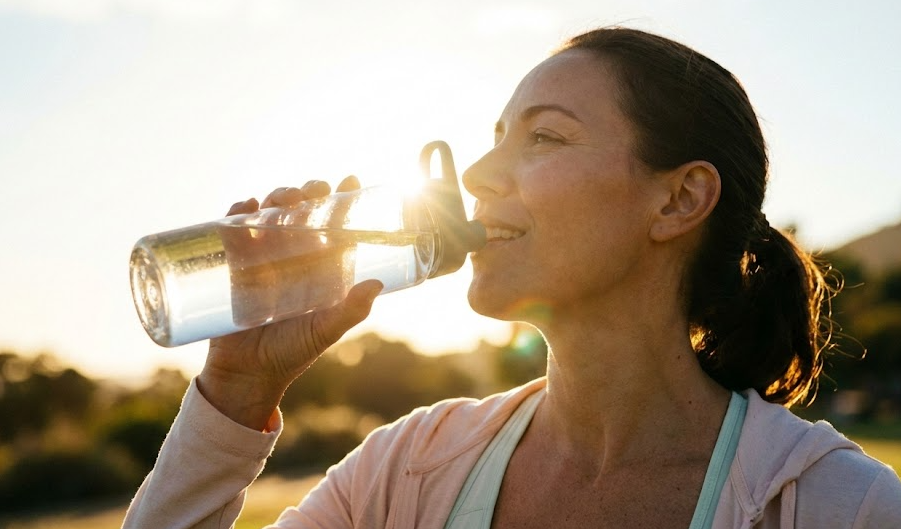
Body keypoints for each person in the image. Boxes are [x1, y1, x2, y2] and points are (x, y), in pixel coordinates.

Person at [122, 27, 901, 528]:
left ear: (678, 198)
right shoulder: (406, 470)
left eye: (544, 136)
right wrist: (238, 391)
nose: (482, 172)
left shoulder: (836, 506)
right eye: (495, 138)